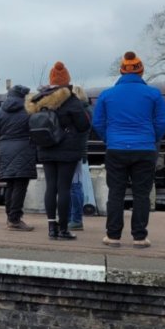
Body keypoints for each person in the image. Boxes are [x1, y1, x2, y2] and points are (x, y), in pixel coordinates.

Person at [93, 51, 165, 249]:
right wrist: (152, 138)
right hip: (144, 149)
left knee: (115, 193)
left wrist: (109, 139)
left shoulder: (107, 95)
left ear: (121, 71)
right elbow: (163, 120)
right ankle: (139, 237)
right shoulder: (153, 93)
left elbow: (98, 122)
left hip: (116, 149)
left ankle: (113, 236)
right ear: (141, 72)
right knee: (142, 194)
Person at [25, 62, 91, 240]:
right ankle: (63, 229)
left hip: (45, 148)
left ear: (51, 79)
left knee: (50, 188)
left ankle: (51, 229)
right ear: (66, 79)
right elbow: (84, 124)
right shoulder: (70, 99)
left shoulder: (39, 99)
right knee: (64, 189)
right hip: (67, 151)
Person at [0, 84, 37, 231]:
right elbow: (35, 129)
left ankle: (10, 217)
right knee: (20, 186)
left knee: (10, 185)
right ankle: (15, 219)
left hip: (5, 149)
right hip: (24, 149)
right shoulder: (28, 110)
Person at [68, 85, 93, 231]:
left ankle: (75, 219)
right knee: (75, 186)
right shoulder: (87, 110)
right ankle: (74, 217)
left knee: (74, 187)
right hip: (81, 152)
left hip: (75, 153)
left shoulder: (79, 112)